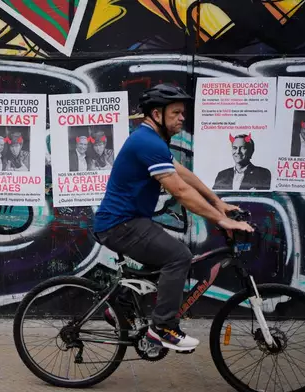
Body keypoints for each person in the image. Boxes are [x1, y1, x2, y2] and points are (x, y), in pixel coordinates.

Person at [93, 83, 253, 352]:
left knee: (164, 258)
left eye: (183, 113)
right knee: (178, 256)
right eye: (177, 112)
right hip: (119, 225)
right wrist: (222, 221)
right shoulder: (147, 141)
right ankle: (163, 328)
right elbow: (179, 190)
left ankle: (120, 303)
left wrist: (218, 203)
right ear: (157, 114)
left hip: (128, 221)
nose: (182, 118)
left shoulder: (153, 141)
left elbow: (184, 175)